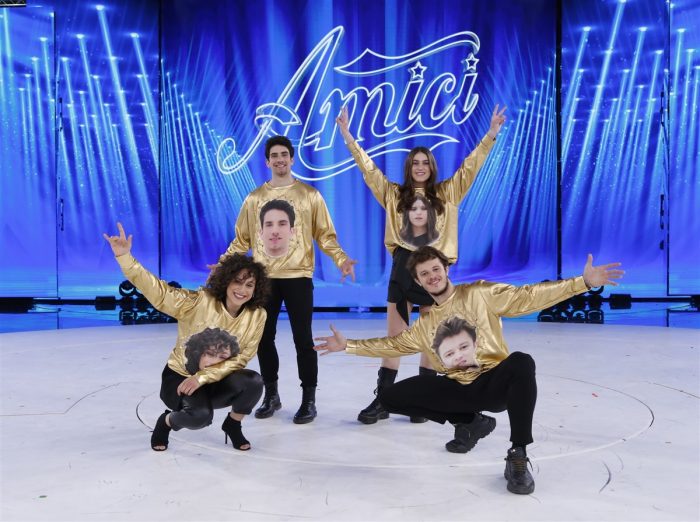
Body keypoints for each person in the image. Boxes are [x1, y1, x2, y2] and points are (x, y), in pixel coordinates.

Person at [314, 245, 624, 495]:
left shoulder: (479, 293)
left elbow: (528, 297)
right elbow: (393, 345)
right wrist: (347, 345)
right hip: (460, 390)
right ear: (418, 283)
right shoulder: (426, 324)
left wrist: (582, 283)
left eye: (436, 269)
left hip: (494, 383)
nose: (432, 276)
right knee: (390, 397)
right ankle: (471, 422)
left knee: (522, 361)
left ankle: (518, 455)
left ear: (446, 269)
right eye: (424, 274)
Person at [336, 104, 507, 424]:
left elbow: (471, 166)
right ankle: (383, 400)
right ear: (408, 167)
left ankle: (425, 402)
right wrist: (347, 135)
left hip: (434, 273)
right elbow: (368, 169)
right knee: (395, 339)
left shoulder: (448, 192)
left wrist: (491, 133)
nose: (420, 167)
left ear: (432, 166)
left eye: (425, 162)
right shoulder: (393, 194)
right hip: (402, 270)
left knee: (433, 339)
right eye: (415, 162)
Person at [214, 135, 357, 424]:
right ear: (267, 162)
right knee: (263, 338)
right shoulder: (254, 199)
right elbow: (241, 239)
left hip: (298, 277)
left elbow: (325, 235)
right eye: (274, 156)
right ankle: (271, 395)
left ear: (292, 159)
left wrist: (341, 259)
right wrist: (222, 265)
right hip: (263, 278)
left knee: (303, 339)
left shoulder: (309, 195)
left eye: (284, 155)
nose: (279, 160)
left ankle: (309, 400)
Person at [103, 222, 269, 452]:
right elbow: (159, 292)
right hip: (179, 378)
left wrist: (202, 377)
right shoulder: (199, 302)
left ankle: (232, 425)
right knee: (200, 417)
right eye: (237, 281)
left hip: (215, 379)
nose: (242, 290)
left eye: (249, 285)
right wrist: (125, 257)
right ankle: (166, 422)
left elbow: (242, 358)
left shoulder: (257, 315)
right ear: (226, 281)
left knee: (254, 382)